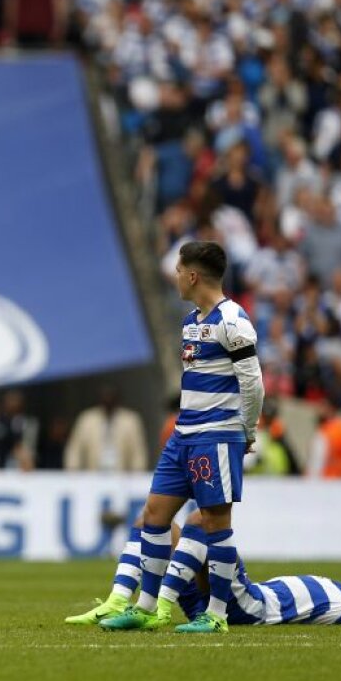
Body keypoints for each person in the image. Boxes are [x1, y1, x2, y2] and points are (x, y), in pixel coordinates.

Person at [98, 241, 263, 633]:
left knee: (214, 522)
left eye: (178, 270)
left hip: (216, 435)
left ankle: (217, 615)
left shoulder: (233, 321)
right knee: (154, 514)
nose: (174, 276)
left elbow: (253, 382)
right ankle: (146, 607)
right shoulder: (191, 321)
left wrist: (247, 429)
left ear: (193, 276)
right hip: (184, 435)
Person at [67, 511, 341, 628]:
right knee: (151, 521)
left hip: (249, 606)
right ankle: (119, 600)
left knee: (201, 521)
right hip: (234, 594)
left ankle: (158, 608)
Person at [63, 386, 147, 472]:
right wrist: (73, 475)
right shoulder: (87, 419)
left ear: (117, 399)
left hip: (121, 476)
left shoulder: (130, 420)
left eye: (111, 397)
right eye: (105, 397)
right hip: (93, 475)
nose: (108, 400)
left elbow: (138, 453)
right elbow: (74, 450)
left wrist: (137, 477)